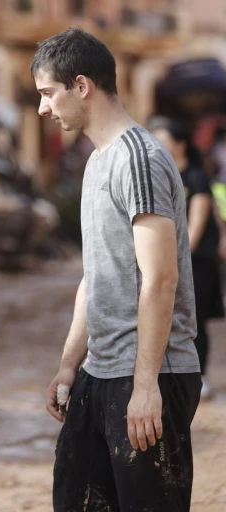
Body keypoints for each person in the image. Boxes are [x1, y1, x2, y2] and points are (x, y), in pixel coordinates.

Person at [32, 29, 201, 511]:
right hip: (101, 372)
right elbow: (96, 274)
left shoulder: (139, 159)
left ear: (81, 85)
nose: (43, 108)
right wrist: (69, 365)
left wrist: (146, 385)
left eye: (48, 93)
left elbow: (161, 278)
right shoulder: (98, 161)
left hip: (149, 375)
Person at [149, 117, 224, 399]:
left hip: (196, 262)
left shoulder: (195, 176)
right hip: (167, 260)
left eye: (163, 141)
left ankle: (200, 375)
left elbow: (196, 228)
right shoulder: (158, 177)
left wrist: (172, 260)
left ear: (179, 145)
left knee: (195, 319)